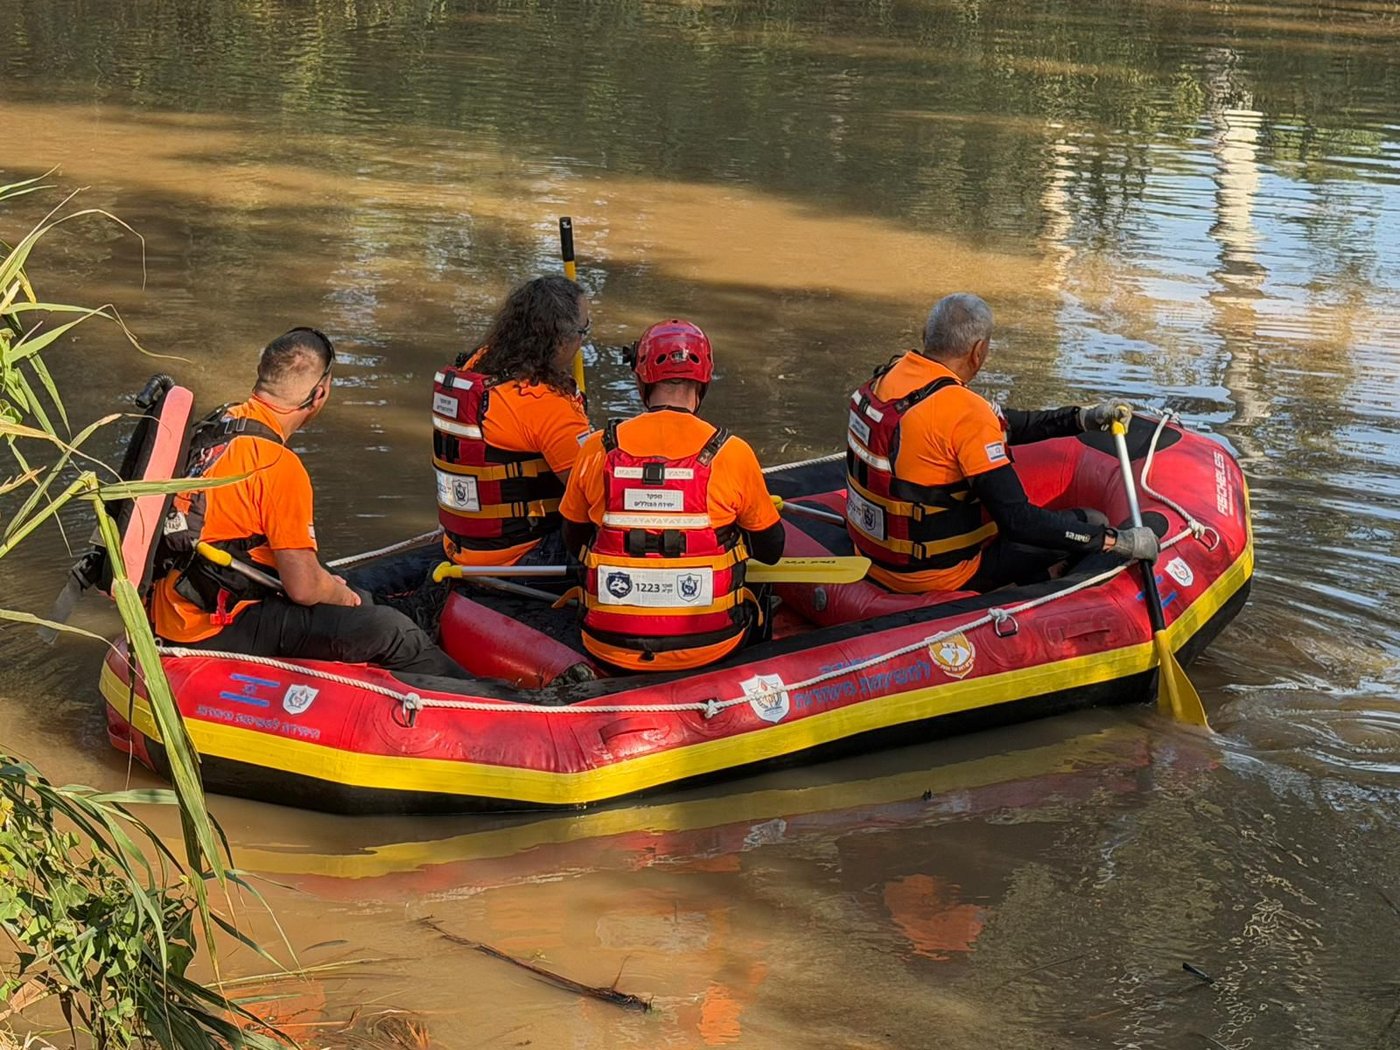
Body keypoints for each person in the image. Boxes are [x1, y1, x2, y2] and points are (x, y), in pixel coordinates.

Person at [151, 327, 468, 678]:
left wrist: (342, 589)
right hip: (214, 627)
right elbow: (302, 588)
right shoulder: (278, 466)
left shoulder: (216, 425)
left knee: (349, 584)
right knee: (393, 632)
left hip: (176, 605)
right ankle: (499, 704)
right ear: (319, 393)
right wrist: (347, 600)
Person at [844, 293, 1159, 594]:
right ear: (978, 350)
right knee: (1092, 521)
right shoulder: (964, 411)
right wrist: (1116, 541)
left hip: (874, 557)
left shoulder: (890, 379)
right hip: (937, 575)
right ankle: (1038, 587)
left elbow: (1004, 426)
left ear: (927, 334)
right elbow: (1018, 522)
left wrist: (1080, 418)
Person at [559, 319, 785, 672]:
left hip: (607, 643)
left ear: (641, 380)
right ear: (704, 380)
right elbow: (771, 553)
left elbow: (573, 541)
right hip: (711, 644)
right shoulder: (731, 452)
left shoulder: (597, 448)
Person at [432, 275, 592, 568]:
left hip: (460, 544)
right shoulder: (546, 405)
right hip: (518, 554)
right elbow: (591, 496)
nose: (583, 342)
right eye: (584, 331)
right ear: (560, 339)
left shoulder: (475, 365)